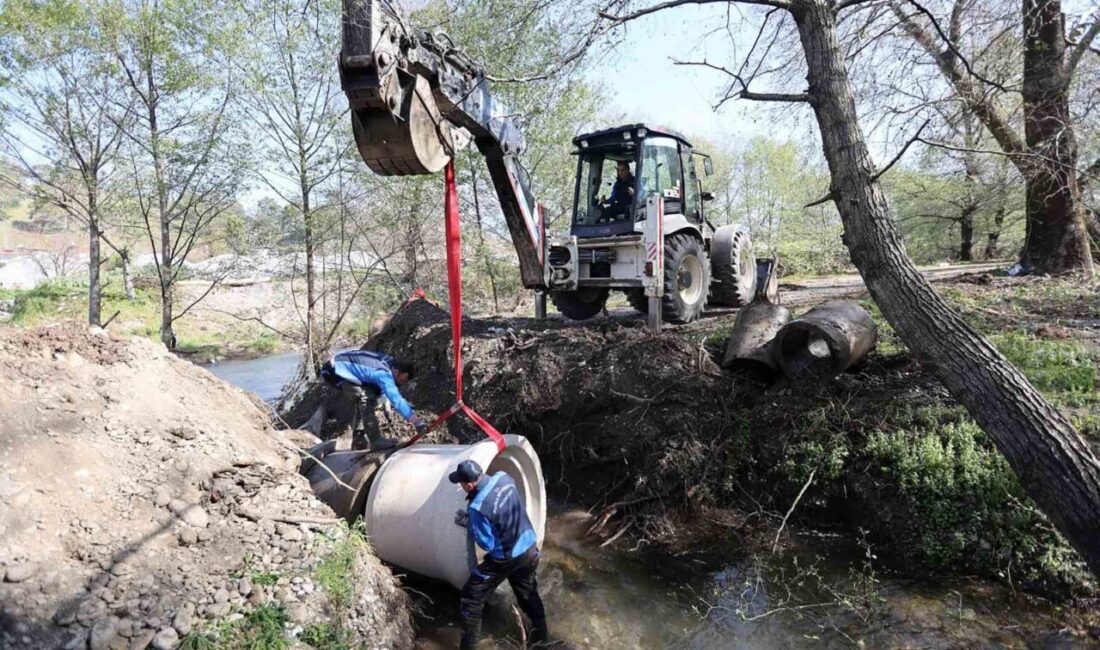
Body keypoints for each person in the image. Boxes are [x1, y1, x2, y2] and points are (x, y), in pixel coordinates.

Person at [450, 460, 547, 649]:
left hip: (506, 556)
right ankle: (543, 637)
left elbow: (487, 543)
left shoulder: (477, 507)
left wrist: (470, 523)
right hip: (529, 546)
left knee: (471, 598)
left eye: (461, 484)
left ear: (469, 485)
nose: (461, 487)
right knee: (527, 594)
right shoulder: (504, 477)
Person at [320, 349, 427, 450]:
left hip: (341, 367)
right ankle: (375, 441)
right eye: (401, 380)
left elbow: (386, 390)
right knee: (365, 397)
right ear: (397, 371)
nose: (401, 384)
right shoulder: (383, 373)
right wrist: (416, 421)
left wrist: (386, 402)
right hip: (334, 371)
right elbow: (396, 398)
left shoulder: (390, 364)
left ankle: (358, 440)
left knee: (370, 395)